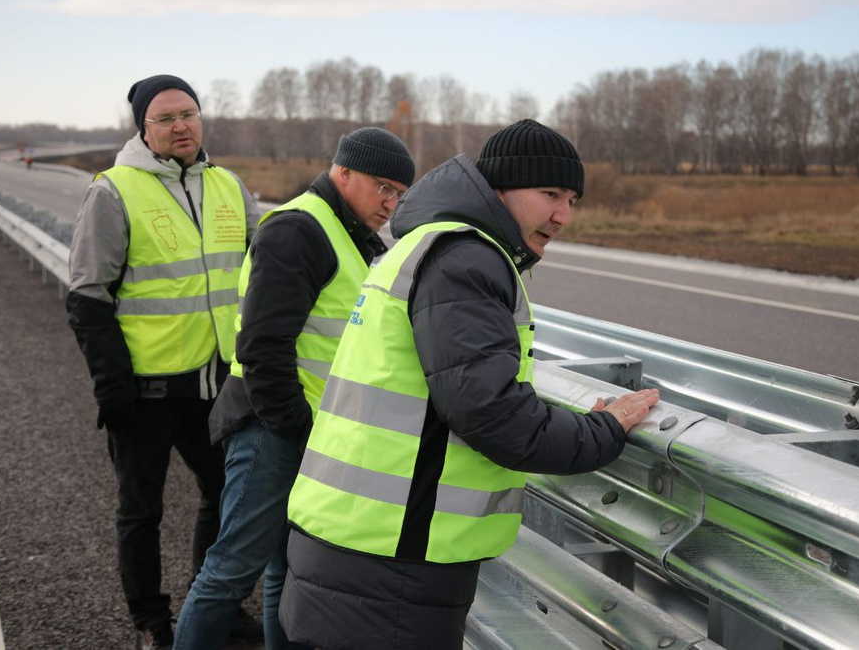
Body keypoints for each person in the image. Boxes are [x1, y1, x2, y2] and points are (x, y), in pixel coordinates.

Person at [280, 119, 661, 650]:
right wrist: (603, 429)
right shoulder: (466, 258)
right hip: (392, 557)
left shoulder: (435, 244)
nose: (563, 215)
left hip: (360, 538)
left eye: (572, 199)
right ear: (498, 189)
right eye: (549, 194)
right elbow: (492, 415)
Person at [173, 128, 415, 649]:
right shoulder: (299, 229)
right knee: (231, 570)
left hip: (308, 431)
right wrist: (299, 432)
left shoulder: (350, 234)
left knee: (288, 572)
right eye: (383, 188)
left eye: (399, 194)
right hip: (273, 430)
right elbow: (263, 348)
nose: (390, 204)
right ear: (344, 172)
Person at [66, 74, 263, 649]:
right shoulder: (114, 189)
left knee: (225, 498)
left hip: (217, 383)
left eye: (189, 114)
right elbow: (86, 295)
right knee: (140, 512)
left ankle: (213, 609)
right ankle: (152, 623)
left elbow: (262, 270)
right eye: (165, 118)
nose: (180, 125)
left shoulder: (229, 185)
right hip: (144, 390)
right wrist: (112, 386)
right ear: (142, 129)